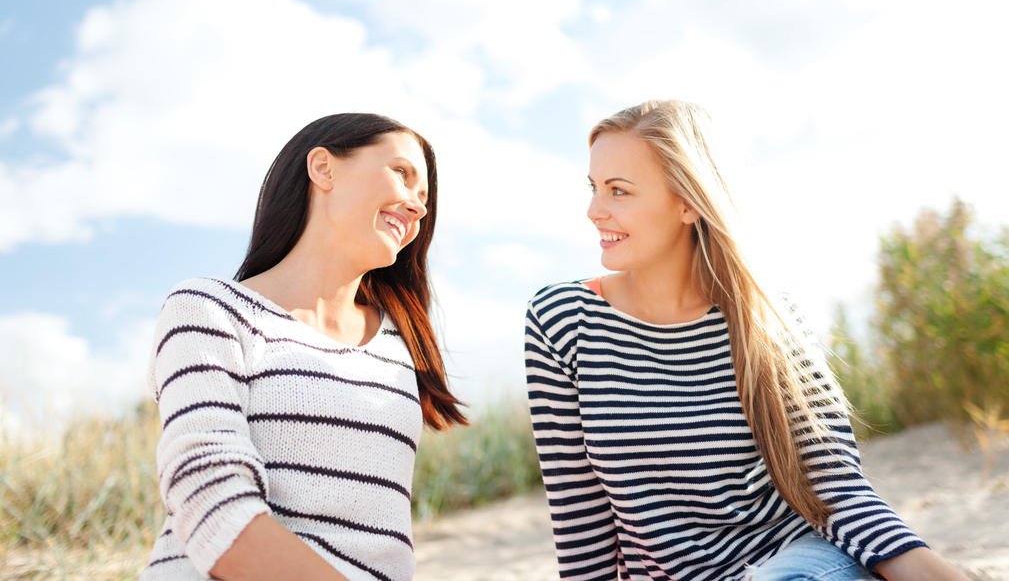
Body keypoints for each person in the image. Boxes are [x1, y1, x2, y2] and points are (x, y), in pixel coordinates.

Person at [524, 100, 968, 581]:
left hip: (802, 565)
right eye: (593, 188)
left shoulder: (768, 317)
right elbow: (580, 522)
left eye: (618, 191)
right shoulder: (561, 321)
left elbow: (838, 491)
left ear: (689, 202)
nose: (594, 211)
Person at [141, 113, 465, 581]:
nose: (417, 206)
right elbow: (210, 502)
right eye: (402, 173)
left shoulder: (400, 344)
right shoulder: (209, 309)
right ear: (324, 168)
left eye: (425, 197)